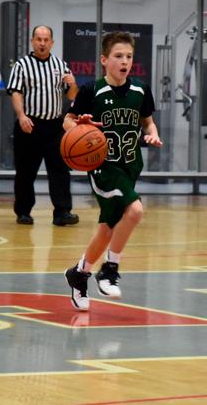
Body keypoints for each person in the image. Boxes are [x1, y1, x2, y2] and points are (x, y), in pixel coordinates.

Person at [63, 31, 162, 311]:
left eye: (129, 56)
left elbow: (148, 122)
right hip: (103, 167)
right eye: (118, 56)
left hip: (130, 166)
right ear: (104, 60)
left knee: (107, 230)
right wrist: (79, 126)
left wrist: (153, 134)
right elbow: (67, 121)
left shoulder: (140, 90)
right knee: (135, 210)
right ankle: (109, 270)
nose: (125, 61)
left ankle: (79, 273)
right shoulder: (91, 91)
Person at [6, 25, 80, 226]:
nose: (42, 43)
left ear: (52, 43)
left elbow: (71, 95)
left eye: (46, 39)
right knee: (26, 171)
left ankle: (62, 212)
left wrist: (73, 83)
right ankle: (23, 211)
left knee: (60, 170)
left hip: (55, 126)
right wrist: (21, 116)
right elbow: (15, 92)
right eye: (38, 39)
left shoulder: (60, 65)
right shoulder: (22, 65)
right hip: (30, 124)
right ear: (32, 41)